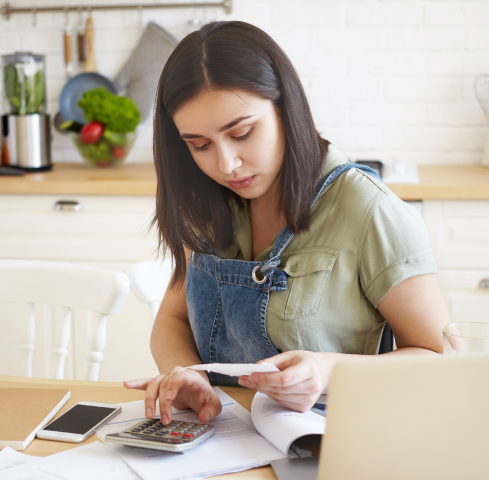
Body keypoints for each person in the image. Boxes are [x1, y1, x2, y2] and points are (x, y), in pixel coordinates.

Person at [123, 21, 452, 425]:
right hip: (223, 440)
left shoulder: (367, 209)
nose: (226, 165)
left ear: (285, 107)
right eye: (200, 145)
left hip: (333, 443)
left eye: (242, 133)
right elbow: (172, 320)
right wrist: (188, 374)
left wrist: (329, 370)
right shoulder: (205, 202)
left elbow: (440, 359)